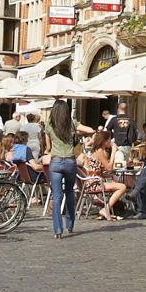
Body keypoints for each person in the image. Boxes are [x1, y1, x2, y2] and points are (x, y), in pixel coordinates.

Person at [45, 101, 91, 238]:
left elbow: (48, 147)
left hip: (56, 162)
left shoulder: (49, 126)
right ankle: (70, 225)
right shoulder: (71, 124)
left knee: (57, 196)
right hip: (70, 162)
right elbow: (90, 130)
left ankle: (58, 230)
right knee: (70, 192)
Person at [81, 131, 128, 220]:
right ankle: (106, 209)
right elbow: (109, 168)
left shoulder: (101, 151)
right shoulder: (100, 152)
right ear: (105, 141)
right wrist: (113, 152)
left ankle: (109, 208)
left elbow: (101, 169)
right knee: (122, 187)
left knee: (118, 184)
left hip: (96, 180)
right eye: (109, 140)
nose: (111, 142)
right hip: (94, 183)